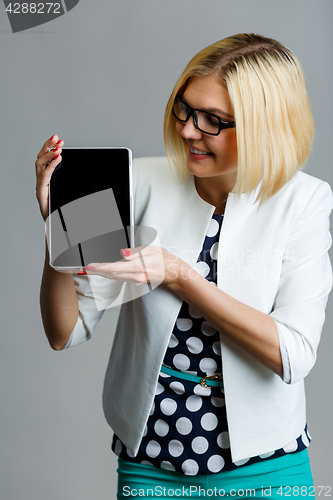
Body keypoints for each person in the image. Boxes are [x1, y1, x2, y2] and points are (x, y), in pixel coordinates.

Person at [35, 33, 332, 498]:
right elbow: (63, 332)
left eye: (213, 120)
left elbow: (292, 355)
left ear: (265, 126)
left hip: (267, 467)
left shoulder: (304, 201)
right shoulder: (135, 183)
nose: (189, 130)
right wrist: (60, 227)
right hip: (150, 461)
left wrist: (179, 276)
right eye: (185, 108)